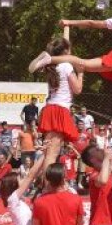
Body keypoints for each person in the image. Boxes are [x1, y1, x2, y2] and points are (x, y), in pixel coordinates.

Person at [36, 36, 83, 170]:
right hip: (59, 109)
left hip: (50, 108)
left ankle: (44, 182)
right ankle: (47, 186)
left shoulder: (51, 65)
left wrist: (67, 27)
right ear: (66, 51)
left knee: (48, 152)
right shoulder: (66, 66)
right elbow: (77, 89)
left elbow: (65, 40)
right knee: (52, 153)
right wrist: (81, 73)